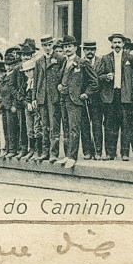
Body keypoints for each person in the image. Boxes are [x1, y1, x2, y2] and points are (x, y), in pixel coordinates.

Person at [97, 33, 133, 161]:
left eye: (119, 42)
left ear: (123, 44)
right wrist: (105, 77)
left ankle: (125, 153)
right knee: (110, 125)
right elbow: (97, 77)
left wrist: (132, 93)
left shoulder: (130, 58)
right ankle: (110, 153)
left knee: (126, 125)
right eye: (114, 42)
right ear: (111, 44)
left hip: (125, 97)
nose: (117, 45)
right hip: (110, 96)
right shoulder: (105, 58)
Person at [57, 35, 99, 168]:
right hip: (64, 99)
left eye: (70, 46)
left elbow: (94, 82)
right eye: (65, 47)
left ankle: (73, 157)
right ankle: (68, 155)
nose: (67, 49)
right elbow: (62, 78)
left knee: (75, 128)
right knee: (67, 128)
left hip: (75, 101)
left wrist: (86, 93)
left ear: (75, 48)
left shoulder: (82, 62)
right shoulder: (64, 62)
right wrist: (59, 85)